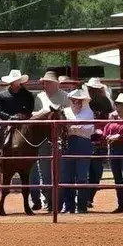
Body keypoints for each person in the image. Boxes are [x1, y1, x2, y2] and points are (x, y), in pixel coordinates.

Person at [28, 71, 68, 212]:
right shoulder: (39, 97)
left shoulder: (64, 96)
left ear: (55, 83)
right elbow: (34, 116)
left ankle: (58, 202)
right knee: (44, 172)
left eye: (49, 82)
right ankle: (49, 201)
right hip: (44, 138)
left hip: (59, 137)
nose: (46, 84)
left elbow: (67, 116)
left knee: (59, 171)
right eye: (45, 82)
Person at [60, 88, 95, 214]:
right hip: (69, 144)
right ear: (71, 100)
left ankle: (81, 206)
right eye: (75, 100)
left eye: (80, 101)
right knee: (66, 177)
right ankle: (68, 206)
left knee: (82, 177)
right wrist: (76, 128)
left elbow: (88, 129)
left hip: (83, 144)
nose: (77, 103)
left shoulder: (88, 113)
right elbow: (65, 128)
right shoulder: (65, 112)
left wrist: (73, 128)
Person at [85, 78, 113, 208]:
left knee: (94, 170)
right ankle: (86, 197)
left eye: (94, 89)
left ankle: (88, 197)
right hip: (90, 137)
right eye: (91, 89)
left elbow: (104, 123)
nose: (92, 91)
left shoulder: (105, 103)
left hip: (97, 138)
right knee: (89, 170)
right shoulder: (87, 102)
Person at [0, 69, 34, 158]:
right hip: (6, 121)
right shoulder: (2, 95)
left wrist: (23, 115)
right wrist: (9, 117)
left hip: (23, 121)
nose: (14, 82)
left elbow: (30, 109)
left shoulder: (27, 95)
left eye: (16, 80)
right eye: (13, 81)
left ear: (20, 81)